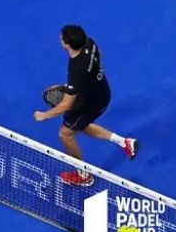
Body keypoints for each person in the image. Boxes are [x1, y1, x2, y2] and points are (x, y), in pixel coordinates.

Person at [34, 25, 138, 186]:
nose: (59, 38)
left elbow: (66, 105)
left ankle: (83, 175)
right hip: (101, 91)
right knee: (79, 126)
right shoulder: (89, 42)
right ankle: (124, 142)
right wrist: (72, 86)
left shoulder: (76, 69)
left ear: (68, 45)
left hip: (90, 102)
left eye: (62, 38)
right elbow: (99, 56)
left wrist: (44, 115)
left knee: (65, 134)